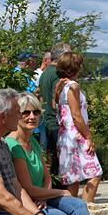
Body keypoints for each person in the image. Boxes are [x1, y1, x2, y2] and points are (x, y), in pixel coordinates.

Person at [54, 52, 103, 202]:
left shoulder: (60, 86)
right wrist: (89, 136)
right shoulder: (73, 86)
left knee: (72, 180)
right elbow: (76, 115)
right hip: (76, 136)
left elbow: (56, 107)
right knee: (95, 173)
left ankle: (75, 213)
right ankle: (87, 209)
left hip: (64, 137)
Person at [39, 43, 72, 176]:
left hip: (48, 121)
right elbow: (56, 102)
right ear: (61, 57)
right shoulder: (57, 74)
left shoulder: (45, 73)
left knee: (54, 158)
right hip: (56, 123)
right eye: (69, 55)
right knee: (60, 162)